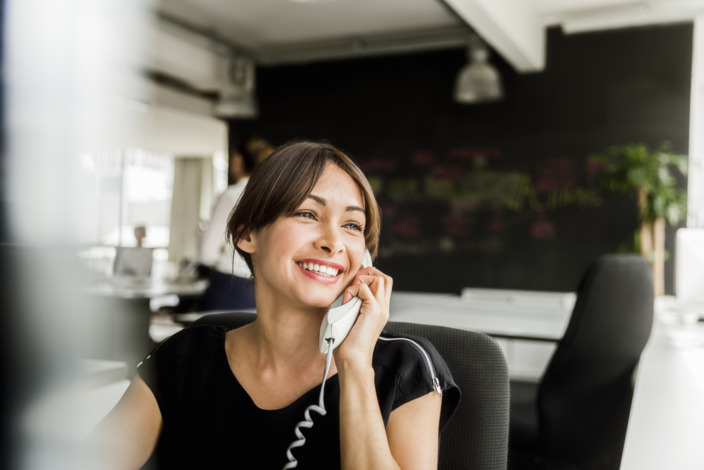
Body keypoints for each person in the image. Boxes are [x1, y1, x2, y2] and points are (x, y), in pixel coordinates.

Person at [90, 140, 460, 469]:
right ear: (247, 233)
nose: (333, 242)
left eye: (352, 225)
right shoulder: (186, 357)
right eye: (307, 214)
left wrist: (355, 366)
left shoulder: (405, 369)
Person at [197, 135, 274, 310]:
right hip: (263, 290)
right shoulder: (272, 197)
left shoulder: (232, 195)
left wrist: (205, 236)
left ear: (237, 159)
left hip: (229, 286)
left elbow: (206, 253)